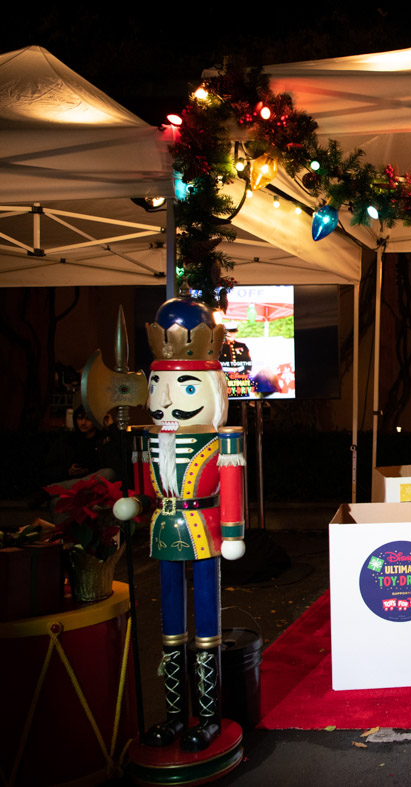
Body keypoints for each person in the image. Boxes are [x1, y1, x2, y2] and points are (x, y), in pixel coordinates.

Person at [114, 297, 246, 752]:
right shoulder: (147, 437)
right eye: (159, 385)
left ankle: (207, 716)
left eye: (187, 388)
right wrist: (132, 501)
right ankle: (174, 714)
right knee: (170, 624)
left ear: (214, 389)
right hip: (163, 527)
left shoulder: (222, 438)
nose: (167, 398)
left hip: (204, 527)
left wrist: (232, 532)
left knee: (206, 622)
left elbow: (230, 485)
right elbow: (140, 478)